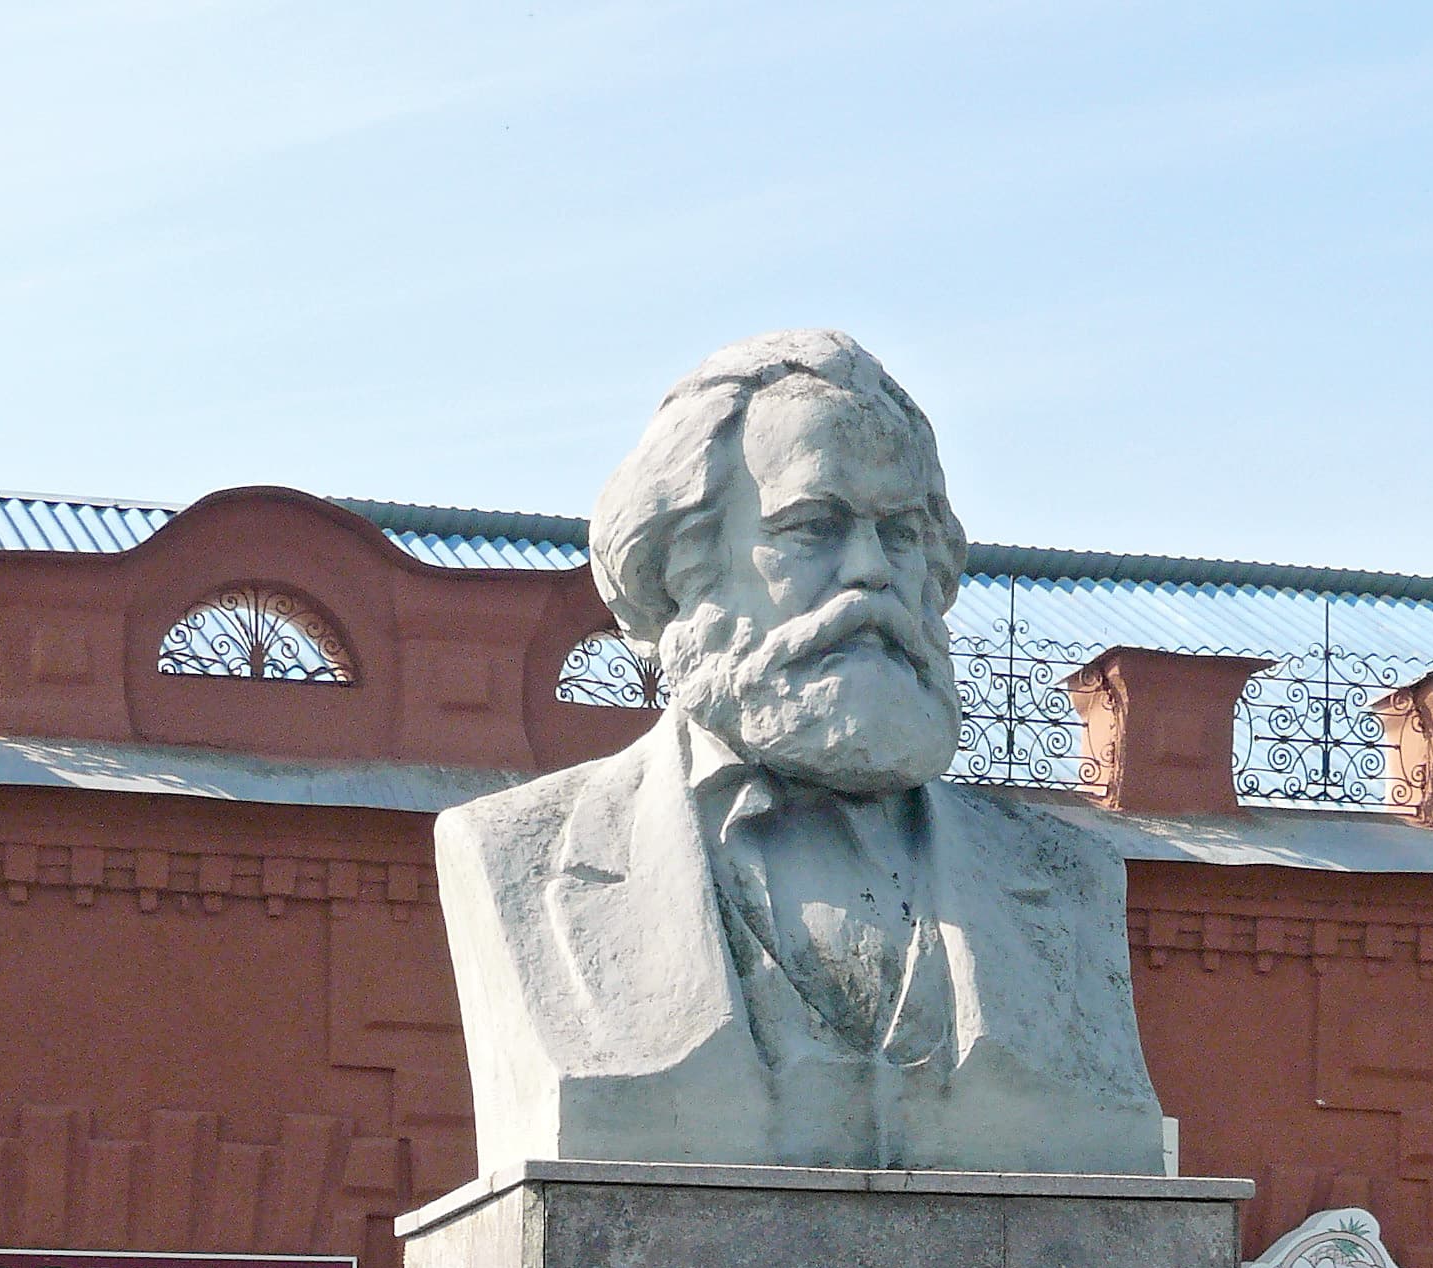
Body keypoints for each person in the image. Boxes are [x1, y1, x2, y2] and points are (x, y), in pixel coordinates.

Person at [436, 330, 1168, 1174]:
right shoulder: (519, 855)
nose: (871, 574)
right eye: (812, 527)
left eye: (900, 534)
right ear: (683, 568)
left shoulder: (1068, 883)